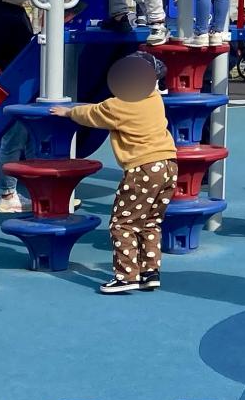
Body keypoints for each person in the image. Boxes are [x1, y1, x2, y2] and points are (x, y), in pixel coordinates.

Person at [51, 53, 177, 294]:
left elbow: (93, 114)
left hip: (144, 168)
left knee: (122, 222)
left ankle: (127, 275)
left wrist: (68, 112)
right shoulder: (154, 99)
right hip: (169, 164)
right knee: (151, 221)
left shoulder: (119, 106)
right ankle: (150, 271)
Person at [0, 0, 36, 215]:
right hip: (14, 82)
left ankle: (35, 189)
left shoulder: (6, 11)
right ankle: (6, 193)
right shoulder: (9, 16)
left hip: (14, 80)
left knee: (28, 136)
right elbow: (20, 49)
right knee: (14, 137)